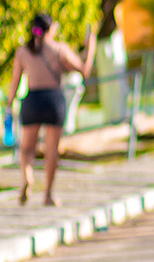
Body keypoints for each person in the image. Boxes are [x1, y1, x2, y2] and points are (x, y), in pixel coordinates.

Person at [7, 13, 95, 207]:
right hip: (53, 100)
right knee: (51, 150)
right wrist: (91, 47)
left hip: (32, 100)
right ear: (50, 29)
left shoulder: (23, 52)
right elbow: (84, 70)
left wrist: (9, 102)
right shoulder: (59, 49)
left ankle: (27, 177)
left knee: (27, 149)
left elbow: (15, 81)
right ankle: (47, 194)